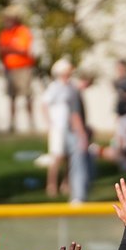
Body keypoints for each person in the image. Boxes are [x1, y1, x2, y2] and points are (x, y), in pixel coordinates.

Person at [44, 59, 90, 203]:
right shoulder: (54, 87)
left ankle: (66, 184)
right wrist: (49, 123)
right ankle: (51, 185)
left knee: (69, 157)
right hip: (58, 127)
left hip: (68, 128)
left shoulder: (70, 87)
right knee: (56, 157)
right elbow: (44, 104)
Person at [0, 5, 37, 133]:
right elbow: (1, 50)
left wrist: (10, 49)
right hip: (10, 68)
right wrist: (12, 49)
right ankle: (12, 124)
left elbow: (23, 49)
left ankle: (31, 123)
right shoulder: (4, 34)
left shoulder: (23, 31)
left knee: (27, 95)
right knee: (12, 97)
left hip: (24, 68)